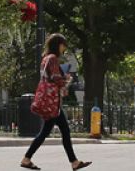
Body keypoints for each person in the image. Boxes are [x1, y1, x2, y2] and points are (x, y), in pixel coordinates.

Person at [20, 33, 91, 171]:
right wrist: (67, 80)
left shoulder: (45, 58)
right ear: (59, 45)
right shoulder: (52, 58)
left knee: (58, 131)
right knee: (53, 132)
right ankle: (27, 159)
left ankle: (73, 162)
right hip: (52, 103)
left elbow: (50, 77)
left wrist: (63, 79)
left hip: (52, 102)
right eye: (63, 46)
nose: (64, 49)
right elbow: (56, 78)